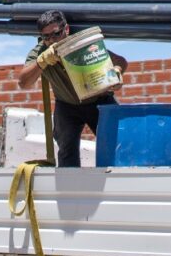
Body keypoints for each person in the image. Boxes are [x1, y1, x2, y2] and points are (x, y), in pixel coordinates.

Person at [17, 10, 128, 167]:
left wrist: (116, 71)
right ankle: (69, 188)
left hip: (99, 100)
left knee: (117, 144)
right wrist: (41, 62)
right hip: (67, 105)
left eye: (56, 34)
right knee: (67, 152)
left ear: (66, 29)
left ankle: (118, 182)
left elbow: (120, 61)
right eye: (46, 37)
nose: (51, 41)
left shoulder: (81, 43)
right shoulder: (40, 52)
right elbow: (23, 83)